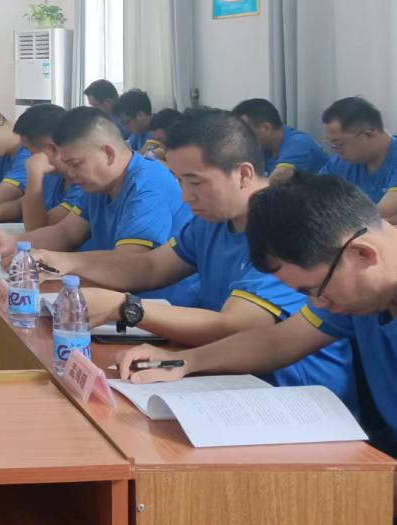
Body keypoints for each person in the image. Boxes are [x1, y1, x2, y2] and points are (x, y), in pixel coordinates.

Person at [32, 112, 352, 401]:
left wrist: (126, 307)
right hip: (221, 374)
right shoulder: (211, 222)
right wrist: (66, 261)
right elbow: (150, 266)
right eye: (180, 181)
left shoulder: (285, 230)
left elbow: (237, 326)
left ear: (243, 174)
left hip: (285, 395)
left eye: (196, 182)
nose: (185, 197)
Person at [115, 175, 397, 456]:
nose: (318, 305)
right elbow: (278, 341)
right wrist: (185, 362)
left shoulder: (353, 292)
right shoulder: (354, 292)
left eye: (316, 291)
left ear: (363, 254)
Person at [0, 106, 197, 302]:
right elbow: (65, 233)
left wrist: (66, 261)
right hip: (113, 294)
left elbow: (131, 259)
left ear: (107, 153)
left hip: (156, 305)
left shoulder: (147, 185)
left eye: (75, 164)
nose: (70, 174)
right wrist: (14, 242)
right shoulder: (99, 185)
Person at [319, 97, 397, 221]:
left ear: (368, 135)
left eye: (339, 144)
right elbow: (313, 199)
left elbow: (385, 211)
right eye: (332, 143)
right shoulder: (340, 162)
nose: (335, 150)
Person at [9, 103, 84, 232]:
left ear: (52, 148)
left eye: (30, 151)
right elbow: (24, 202)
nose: (29, 158)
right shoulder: (53, 174)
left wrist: (34, 176)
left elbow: (37, 230)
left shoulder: (84, 183)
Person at [232, 97, 328, 184]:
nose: (242, 137)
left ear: (266, 128)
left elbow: (278, 178)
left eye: (246, 131)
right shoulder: (264, 147)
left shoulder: (299, 142)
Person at [115, 89, 154, 153]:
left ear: (140, 115)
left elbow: (144, 155)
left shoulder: (159, 132)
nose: (125, 128)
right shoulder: (138, 133)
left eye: (126, 123)